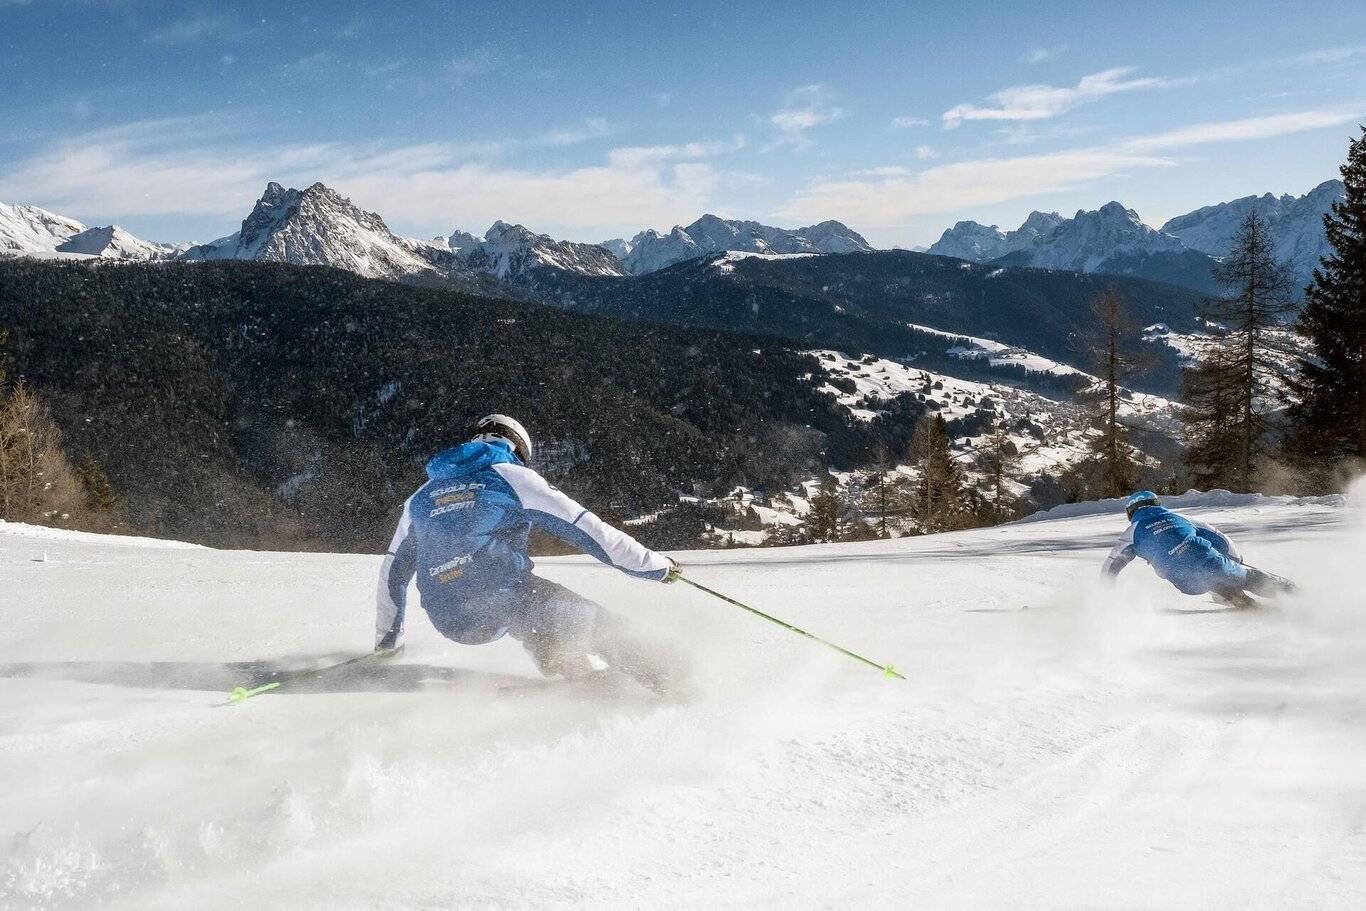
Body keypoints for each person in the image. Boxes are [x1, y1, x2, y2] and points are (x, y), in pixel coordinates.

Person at [374, 414, 684, 691]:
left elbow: (392, 572)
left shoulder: (420, 496)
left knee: (534, 612)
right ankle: (676, 680)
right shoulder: (512, 475)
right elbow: (589, 530)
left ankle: (570, 666)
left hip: (448, 616)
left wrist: (388, 644)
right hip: (501, 595)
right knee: (591, 621)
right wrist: (654, 566)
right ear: (519, 450)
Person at [1101, 491, 1297, 607]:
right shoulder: (1180, 518)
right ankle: (1295, 594)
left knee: (1202, 576)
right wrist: (1237, 561)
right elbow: (1221, 538)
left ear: (1131, 512)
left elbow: (1112, 564)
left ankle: (1231, 595)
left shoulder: (1131, 532)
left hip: (1184, 583)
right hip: (1214, 563)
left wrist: (1105, 591)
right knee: (1244, 574)